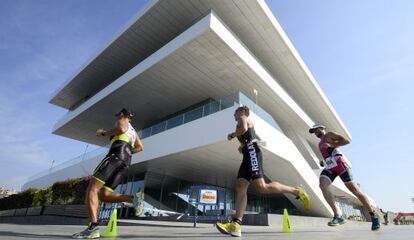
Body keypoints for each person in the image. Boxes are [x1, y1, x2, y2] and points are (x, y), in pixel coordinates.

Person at [216, 106, 310, 237]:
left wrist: (232, 135)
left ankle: (297, 191)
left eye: (236, 111)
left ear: (243, 111)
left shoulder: (243, 118)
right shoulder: (245, 121)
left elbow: (243, 129)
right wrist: (243, 146)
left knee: (262, 187)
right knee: (240, 185)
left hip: (252, 153)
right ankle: (236, 225)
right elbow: (254, 136)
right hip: (248, 154)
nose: (234, 113)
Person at [72, 108, 144, 239]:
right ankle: (133, 199)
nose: (118, 117)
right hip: (125, 162)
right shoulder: (133, 131)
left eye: (119, 115)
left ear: (123, 114)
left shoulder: (122, 120)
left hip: (114, 156)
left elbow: (121, 130)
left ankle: (93, 227)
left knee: (92, 190)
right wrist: (127, 151)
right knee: (104, 194)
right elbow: (140, 147)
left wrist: (104, 133)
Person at [309, 123, 380, 230]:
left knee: (355, 191)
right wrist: (323, 162)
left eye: (317, 129)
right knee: (322, 184)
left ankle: (372, 213)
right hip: (330, 167)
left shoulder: (329, 134)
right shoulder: (319, 144)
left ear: (323, 128)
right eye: (314, 131)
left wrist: (332, 145)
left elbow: (346, 141)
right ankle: (338, 215)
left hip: (341, 164)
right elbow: (327, 154)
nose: (316, 132)